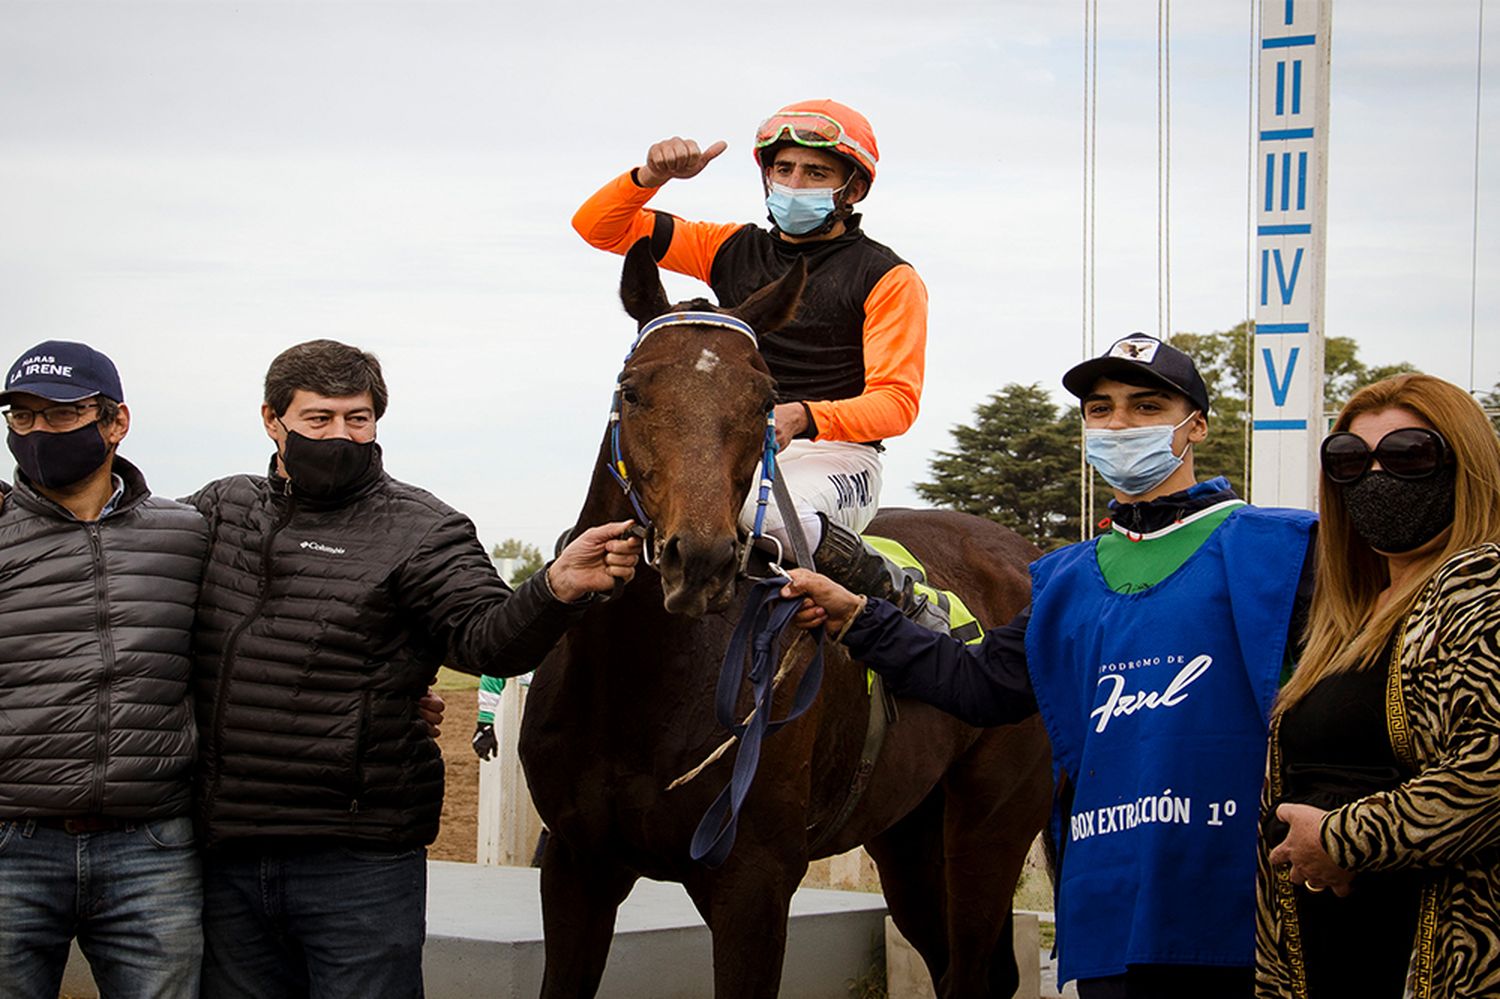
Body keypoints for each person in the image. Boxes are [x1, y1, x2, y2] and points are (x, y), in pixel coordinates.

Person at [783, 333, 1318, 999]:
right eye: (1101, 409)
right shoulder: (1066, 580)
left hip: (1246, 911)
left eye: (1146, 407)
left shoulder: (1284, 548)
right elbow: (976, 685)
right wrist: (857, 617)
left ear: (1194, 427)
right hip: (1110, 913)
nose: (1119, 425)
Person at [187, 339, 640, 998]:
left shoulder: (423, 528)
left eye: (358, 418)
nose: (341, 435)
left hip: (355, 860)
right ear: (271, 419)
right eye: (319, 419)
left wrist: (554, 587)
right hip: (224, 853)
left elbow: (488, 640)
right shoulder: (221, 508)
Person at [573, 99, 931, 609]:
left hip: (837, 455)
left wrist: (803, 416)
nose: (794, 183)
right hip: (729, 443)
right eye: (783, 169)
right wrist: (649, 176)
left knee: (769, 521)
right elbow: (598, 228)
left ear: (851, 189)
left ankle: (905, 598)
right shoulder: (728, 247)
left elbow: (896, 403)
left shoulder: (889, 278)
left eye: (815, 172)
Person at [1257, 373, 1500, 998]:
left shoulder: (1484, 579)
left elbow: (1489, 767)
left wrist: (1341, 841)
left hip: (1442, 953)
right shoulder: (1348, 613)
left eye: (1408, 455)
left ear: (1464, 464)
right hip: (1323, 949)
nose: (1375, 477)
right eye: (1348, 461)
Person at [0, 341, 207, 998]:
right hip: (11, 843)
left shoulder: (187, 532)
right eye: (22, 418)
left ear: (115, 422)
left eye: (59, 415)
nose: (36, 433)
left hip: (151, 846)